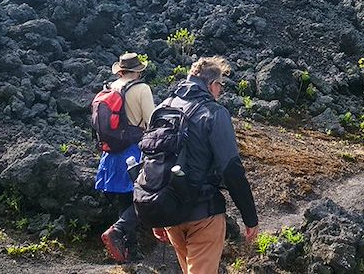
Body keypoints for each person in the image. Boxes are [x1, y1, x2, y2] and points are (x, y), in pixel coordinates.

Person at [154, 56, 259, 274]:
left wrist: (157, 214)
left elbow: (152, 162)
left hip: (170, 212)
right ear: (212, 85)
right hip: (204, 213)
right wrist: (250, 217)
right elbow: (231, 169)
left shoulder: (164, 107)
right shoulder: (214, 113)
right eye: (220, 85)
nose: (220, 91)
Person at [96, 52, 155, 262]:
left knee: (124, 200)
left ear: (120, 71)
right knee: (144, 199)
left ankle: (130, 251)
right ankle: (117, 232)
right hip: (134, 151)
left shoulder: (111, 88)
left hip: (112, 153)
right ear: (138, 71)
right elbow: (151, 121)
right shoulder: (142, 89)